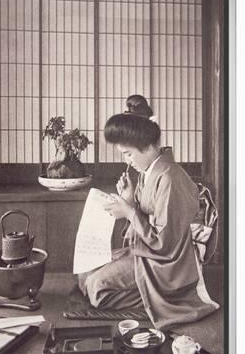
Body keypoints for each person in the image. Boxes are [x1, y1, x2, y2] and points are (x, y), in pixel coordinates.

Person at [78, 95, 219, 329]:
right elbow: (145, 212)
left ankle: (154, 299)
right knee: (85, 272)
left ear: (148, 147)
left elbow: (166, 242)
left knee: (96, 288)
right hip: (148, 249)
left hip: (166, 261)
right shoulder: (148, 171)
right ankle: (143, 294)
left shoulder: (171, 178)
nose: (127, 160)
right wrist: (129, 196)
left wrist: (130, 212)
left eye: (128, 153)